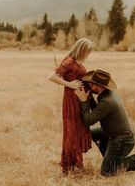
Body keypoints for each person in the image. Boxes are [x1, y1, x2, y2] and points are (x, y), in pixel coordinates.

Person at [75, 69, 135, 176]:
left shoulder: (107, 101)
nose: (89, 86)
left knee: (107, 171)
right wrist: (90, 98)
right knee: (94, 133)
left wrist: (83, 102)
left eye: (91, 85)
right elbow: (98, 110)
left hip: (123, 139)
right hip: (114, 133)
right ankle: (110, 159)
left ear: (99, 86)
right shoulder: (107, 94)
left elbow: (88, 121)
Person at [48, 38, 93, 173]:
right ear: (81, 49)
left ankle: (77, 162)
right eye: (86, 51)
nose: (87, 54)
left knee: (78, 130)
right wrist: (70, 84)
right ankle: (68, 165)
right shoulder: (69, 61)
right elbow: (52, 76)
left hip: (80, 100)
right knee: (71, 132)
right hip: (71, 101)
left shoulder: (78, 61)